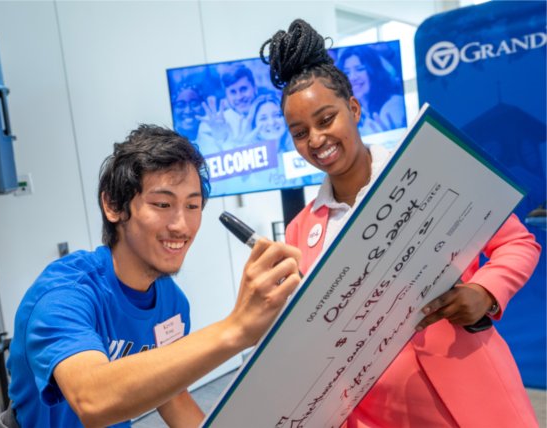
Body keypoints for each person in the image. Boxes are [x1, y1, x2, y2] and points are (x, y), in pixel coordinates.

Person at [261, 19, 541, 427]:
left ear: (353, 109)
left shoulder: (429, 168)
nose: (316, 139)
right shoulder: (300, 231)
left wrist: (485, 290)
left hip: (472, 385)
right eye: (300, 132)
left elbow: (519, 243)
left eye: (326, 119)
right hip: (377, 413)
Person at [6, 124, 301, 427]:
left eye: (193, 205)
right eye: (163, 204)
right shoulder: (63, 294)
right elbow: (92, 399)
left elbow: (172, 398)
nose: (181, 225)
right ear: (113, 205)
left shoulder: (171, 302)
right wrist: (235, 328)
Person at [337, 45, 406, 136]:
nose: (353, 77)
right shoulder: (357, 113)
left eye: (360, 69)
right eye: (347, 72)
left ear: (374, 72)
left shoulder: (394, 105)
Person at [196, 64, 258, 152]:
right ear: (226, 95)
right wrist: (221, 139)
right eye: (233, 92)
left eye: (243, 89)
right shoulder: (209, 125)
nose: (239, 97)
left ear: (255, 88)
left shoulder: (271, 114)